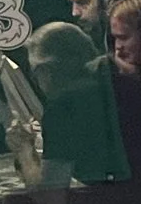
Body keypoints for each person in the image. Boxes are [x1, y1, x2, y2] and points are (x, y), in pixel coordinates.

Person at [23, 21, 131, 187]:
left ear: (44, 70)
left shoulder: (62, 107)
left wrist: (24, 151)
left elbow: (50, 199)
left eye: (34, 73)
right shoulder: (115, 78)